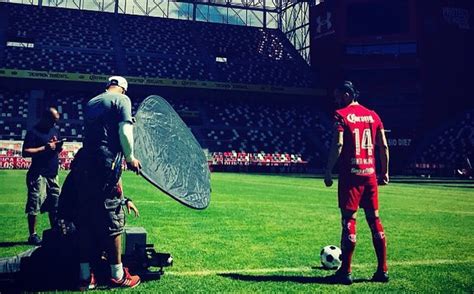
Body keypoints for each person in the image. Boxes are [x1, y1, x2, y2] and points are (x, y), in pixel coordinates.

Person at [72, 76, 142, 290]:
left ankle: (85, 276)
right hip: (106, 165)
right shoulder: (123, 100)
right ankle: (117, 275)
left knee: (85, 221)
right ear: (124, 89)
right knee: (113, 220)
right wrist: (130, 158)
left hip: (84, 164)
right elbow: (124, 131)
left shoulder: (92, 102)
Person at [324, 81, 389, 285]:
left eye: (337, 96)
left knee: (349, 221)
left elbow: (339, 143)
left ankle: (346, 272)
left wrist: (328, 170)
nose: (336, 101)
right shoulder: (373, 115)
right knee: (374, 220)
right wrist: (384, 172)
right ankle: (382, 270)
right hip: (370, 175)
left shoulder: (341, 115)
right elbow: (384, 146)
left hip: (351, 176)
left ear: (346, 94)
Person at [22, 107, 63, 246]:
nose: (54, 124)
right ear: (45, 117)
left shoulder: (54, 130)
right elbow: (25, 152)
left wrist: (57, 147)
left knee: (56, 204)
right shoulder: (33, 132)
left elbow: (53, 147)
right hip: (38, 174)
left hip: (53, 174)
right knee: (35, 204)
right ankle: (32, 235)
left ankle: (55, 231)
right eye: (53, 121)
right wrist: (45, 148)